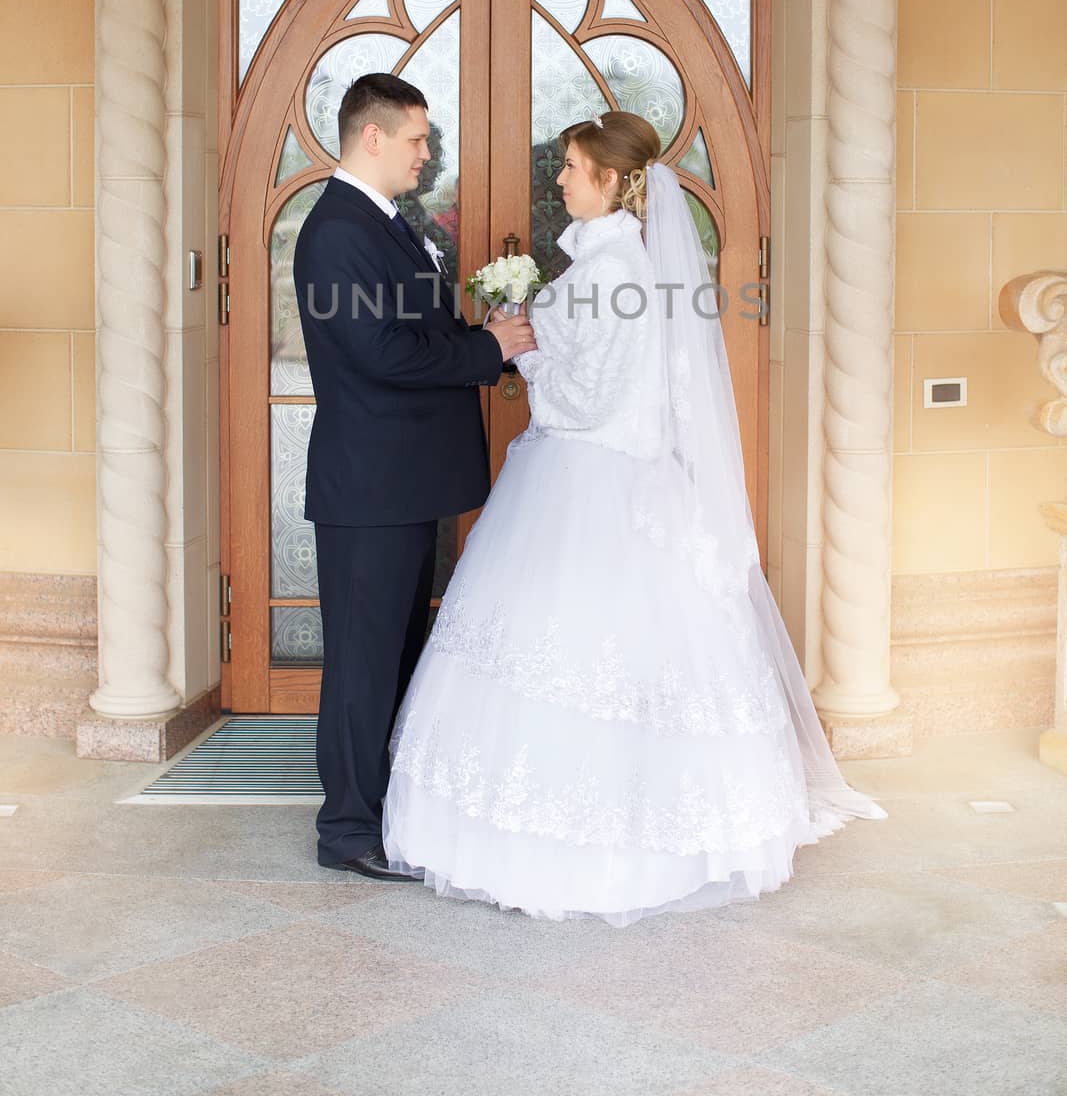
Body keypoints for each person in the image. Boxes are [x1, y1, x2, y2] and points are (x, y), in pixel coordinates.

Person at [382, 109, 887, 924]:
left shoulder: (611, 271)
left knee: (583, 654)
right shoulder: (608, 264)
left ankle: (583, 842)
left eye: (572, 168)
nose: (559, 179)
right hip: (595, 478)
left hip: (589, 481)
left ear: (613, 182)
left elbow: (590, 400)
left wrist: (521, 348)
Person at [294, 72, 536, 880]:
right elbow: (380, 353)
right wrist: (487, 350)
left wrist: (482, 332)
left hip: (400, 481)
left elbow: (410, 329)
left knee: (396, 653)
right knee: (363, 664)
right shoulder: (336, 231)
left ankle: (384, 809)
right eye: (417, 139)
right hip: (369, 486)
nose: (426, 155)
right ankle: (347, 831)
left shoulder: (382, 222)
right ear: (373, 137)